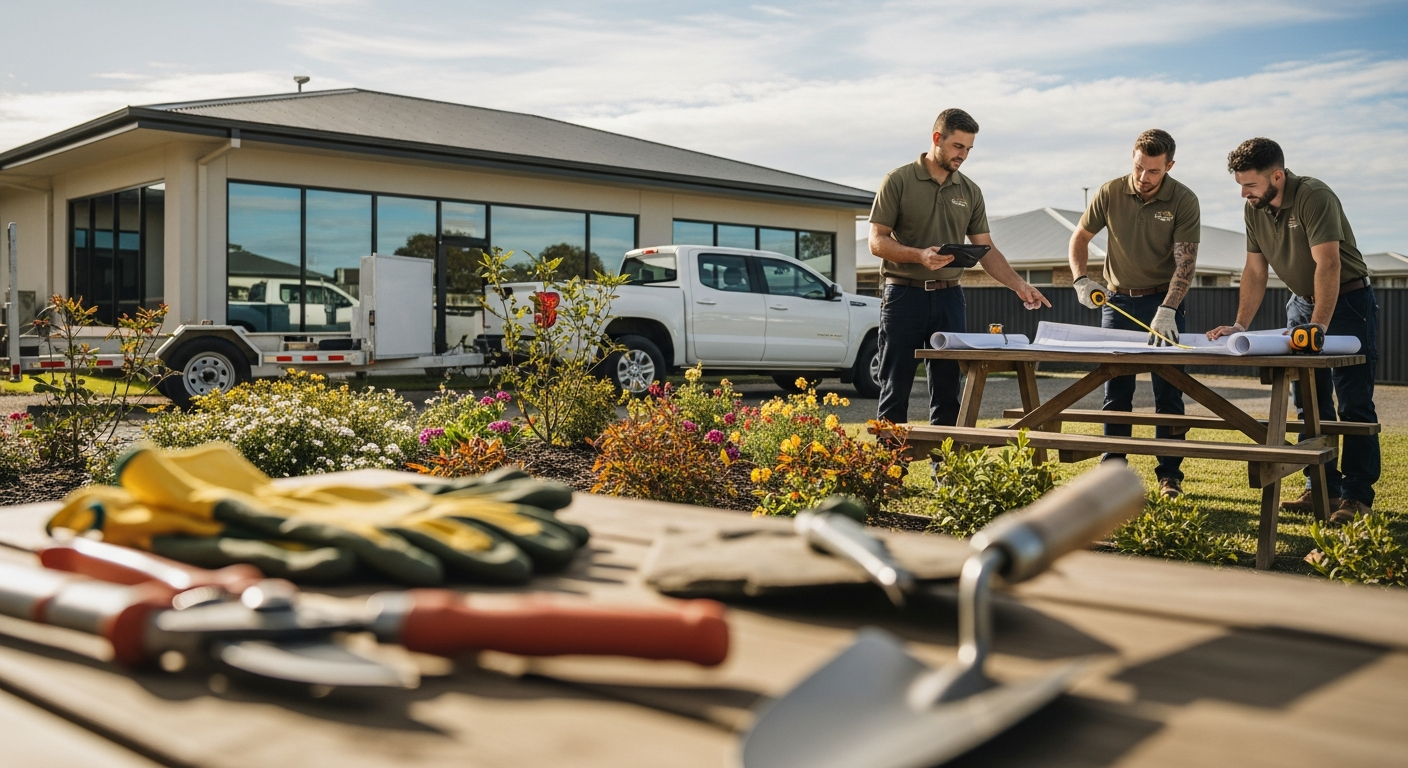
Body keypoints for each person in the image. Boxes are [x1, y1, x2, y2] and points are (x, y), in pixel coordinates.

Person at [1208, 138, 1378, 524]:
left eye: (1249, 185)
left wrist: (1318, 325)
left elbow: (1329, 264)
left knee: (1353, 404)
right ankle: (1321, 487)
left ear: (1278, 176)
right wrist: (1239, 325)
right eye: (1240, 185)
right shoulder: (1255, 210)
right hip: (1301, 303)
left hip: (1348, 303)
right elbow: (1254, 270)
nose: (1243, 194)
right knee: (1309, 402)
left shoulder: (1314, 196)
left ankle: (1356, 497)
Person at [869, 108, 1049, 427]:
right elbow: (877, 241)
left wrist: (1019, 286)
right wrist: (919, 255)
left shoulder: (970, 191)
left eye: (968, 149)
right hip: (902, 297)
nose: (963, 155)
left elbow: (987, 250)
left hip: (950, 299)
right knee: (895, 390)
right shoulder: (898, 180)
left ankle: (946, 475)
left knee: (949, 392)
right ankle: (888, 475)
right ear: (937, 139)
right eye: (957, 146)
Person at [1068, 129, 1200, 499]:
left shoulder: (1184, 200)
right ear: (1133, 157)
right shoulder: (1110, 192)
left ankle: (1169, 476)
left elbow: (1185, 265)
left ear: (1169, 166)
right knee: (1116, 391)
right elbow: (1079, 237)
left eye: (1154, 172)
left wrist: (1168, 309)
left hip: (1164, 305)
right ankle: (1113, 473)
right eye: (1139, 167)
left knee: (1169, 393)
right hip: (1116, 303)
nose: (1144, 178)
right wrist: (1081, 280)